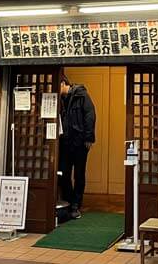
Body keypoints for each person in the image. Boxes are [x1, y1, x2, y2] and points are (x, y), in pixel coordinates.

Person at [58, 76, 95, 220]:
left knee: (79, 174)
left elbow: (90, 115)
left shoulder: (81, 95)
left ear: (63, 83)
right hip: (65, 142)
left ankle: (75, 205)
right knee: (63, 174)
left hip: (79, 141)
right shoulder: (59, 100)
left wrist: (89, 137)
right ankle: (69, 201)